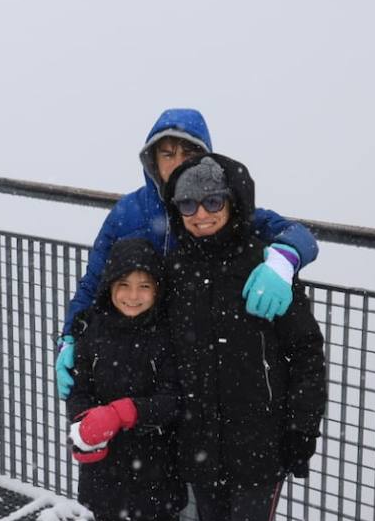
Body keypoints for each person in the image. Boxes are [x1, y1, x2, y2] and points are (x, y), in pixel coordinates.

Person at [161, 152, 327, 521]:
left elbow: (305, 354)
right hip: (202, 432)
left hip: (258, 437)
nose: (201, 213)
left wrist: (300, 431)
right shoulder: (178, 262)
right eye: (188, 202)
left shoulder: (263, 262)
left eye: (213, 201)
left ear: (233, 203)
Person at [55, 107, 319, 401]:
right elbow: (93, 283)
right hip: (139, 359)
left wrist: (283, 261)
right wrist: (69, 338)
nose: (177, 163)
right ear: (152, 160)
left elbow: (298, 234)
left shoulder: (219, 208)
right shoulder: (128, 213)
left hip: (196, 364)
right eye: (167, 154)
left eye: (188, 153)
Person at [65, 238, 184, 521]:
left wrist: (126, 412)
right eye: (124, 285)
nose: (133, 296)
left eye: (144, 286)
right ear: (109, 287)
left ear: (157, 290)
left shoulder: (167, 336)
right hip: (107, 472)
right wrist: (83, 427)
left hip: (157, 468)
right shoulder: (92, 332)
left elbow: (174, 400)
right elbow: (78, 391)